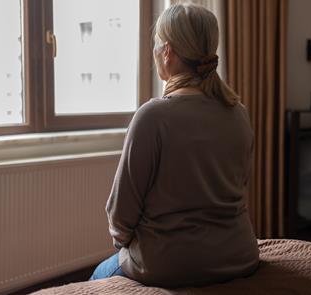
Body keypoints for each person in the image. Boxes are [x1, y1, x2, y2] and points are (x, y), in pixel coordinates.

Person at [90, 3, 259, 288]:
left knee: (97, 277)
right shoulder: (238, 113)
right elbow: (239, 188)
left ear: (167, 52)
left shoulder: (153, 116)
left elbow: (120, 215)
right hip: (238, 256)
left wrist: (126, 245)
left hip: (168, 264)